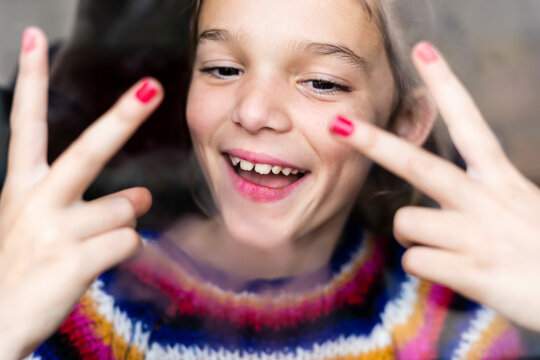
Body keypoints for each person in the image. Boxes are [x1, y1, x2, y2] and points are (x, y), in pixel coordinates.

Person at [1, 0, 539, 359]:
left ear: (402, 123)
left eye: (322, 83)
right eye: (222, 69)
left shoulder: (452, 331)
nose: (254, 111)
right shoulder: (68, 301)